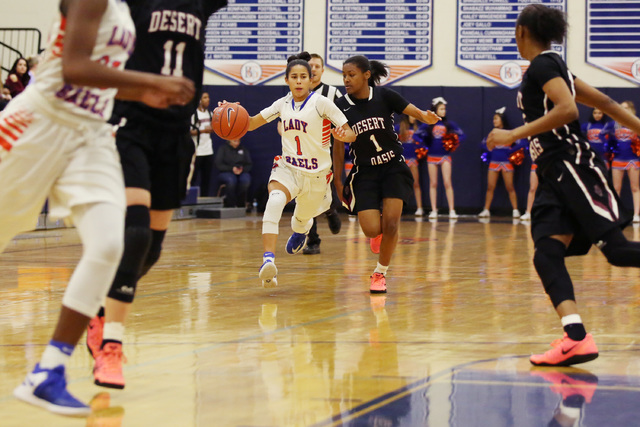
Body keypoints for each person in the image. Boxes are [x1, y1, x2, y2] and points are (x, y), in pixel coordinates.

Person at [8, 0, 194, 416]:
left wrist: (141, 91)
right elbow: (74, 67)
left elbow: (101, 77)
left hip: (88, 134)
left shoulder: (125, 10)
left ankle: (48, 372)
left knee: (113, 245)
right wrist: (152, 80)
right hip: (40, 122)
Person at [86, 0, 228, 390]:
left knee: (151, 250)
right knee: (135, 235)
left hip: (176, 135)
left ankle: (99, 310)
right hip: (133, 124)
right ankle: (111, 346)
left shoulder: (200, 3)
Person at [487, 4, 640, 367]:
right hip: (554, 175)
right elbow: (603, 101)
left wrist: (513, 133)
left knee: (617, 252)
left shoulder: (544, 64)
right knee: (546, 253)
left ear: (523, 31)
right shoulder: (551, 67)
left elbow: (569, 109)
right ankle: (576, 338)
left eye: (514, 30)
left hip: (573, 167)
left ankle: (576, 338)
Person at [237, 52, 356, 287]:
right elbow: (250, 123)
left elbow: (350, 130)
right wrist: (231, 113)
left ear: (312, 80)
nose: (299, 81)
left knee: (301, 220)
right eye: (294, 77)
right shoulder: (281, 105)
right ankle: (268, 260)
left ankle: (302, 230)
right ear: (287, 80)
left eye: (304, 76)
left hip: (317, 176)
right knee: (274, 199)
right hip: (288, 168)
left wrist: (345, 135)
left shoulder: (322, 103)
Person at [332, 55, 440, 293]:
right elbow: (338, 148)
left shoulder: (385, 96)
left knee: (391, 224)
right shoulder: (340, 106)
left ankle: (380, 273)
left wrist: (427, 117)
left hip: (393, 167)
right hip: (364, 172)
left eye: (351, 75)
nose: (346, 80)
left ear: (366, 75)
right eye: (344, 76)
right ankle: (376, 236)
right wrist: (338, 180)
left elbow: (415, 111)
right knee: (372, 229)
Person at [302, 53, 343, 254]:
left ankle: (331, 208)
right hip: (302, 153)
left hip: (327, 151)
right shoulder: (296, 92)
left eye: (318, 66)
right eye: (311, 65)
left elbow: (346, 117)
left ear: (322, 70)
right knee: (306, 196)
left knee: (325, 190)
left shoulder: (333, 92)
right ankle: (313, 240)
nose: (314, 69)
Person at [413, 97, 465, 219]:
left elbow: (462, 135)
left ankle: (452, 210)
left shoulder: (448, 124)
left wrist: (453, 142)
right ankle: (434, 210)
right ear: (435, 110)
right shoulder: (429, 124)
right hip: (431, 156)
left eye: (444, 108)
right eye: (441, 108)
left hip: (445, 156)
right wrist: (424, 144)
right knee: (433, 183)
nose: (444, 111)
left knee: (447, 182)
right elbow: (416, 136)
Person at [478, 107, 522, 219]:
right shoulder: (492, 133)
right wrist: (491, 149)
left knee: (510, 186)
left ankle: (515, 210)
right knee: (490, 187)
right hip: (494, 162)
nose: (494, 121)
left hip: (507, 162)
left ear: (502, 119)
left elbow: (521, 143)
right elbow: (483, 144)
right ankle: (486, 210)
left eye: (496, 119)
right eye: (493, 119)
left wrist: (510, 151)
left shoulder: (509, 133)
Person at [603, 101, 640, 222]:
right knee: (616, 188)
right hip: (618, 159)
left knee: (635, 187)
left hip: (633, 160)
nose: (623, 110)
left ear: (631, 110)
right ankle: (616, 214)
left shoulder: (635, 123)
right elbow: (602, 136)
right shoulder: (613, 124)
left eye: (625, 108)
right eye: (621, 108)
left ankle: (636, 215)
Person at [396, 114, 424, 216]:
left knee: (416, 183)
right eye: (412, 116)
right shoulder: (399, 127)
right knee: (400, 185)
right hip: (402, 160)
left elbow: (423, 141)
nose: (414, 118)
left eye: (415, 116)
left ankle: (420, 208)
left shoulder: (418, 128)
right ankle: (399, 208)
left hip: (413, 159)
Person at [215, 137, 252, 208]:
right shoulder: (223, 149)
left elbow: (249, 164)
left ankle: (241, 204)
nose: (237, 143)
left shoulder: (243, 149)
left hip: (241, 172)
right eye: (235, 141)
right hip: (226, 171)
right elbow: (218, 164)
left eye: (238, 141)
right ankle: (230, 204)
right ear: (229, 140)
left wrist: (242, 169)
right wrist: (231, 169)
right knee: (231, 180)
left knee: (245, 180)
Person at [190, 92, 214, 197]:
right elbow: (189, 131)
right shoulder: (194, 114)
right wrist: (203, 130)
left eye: (208, 97)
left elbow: (213, 129)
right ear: (199, 100)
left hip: (208, 150)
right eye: (205, 97)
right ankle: (190, 199)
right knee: (193, 178)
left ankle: (205, 199)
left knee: (206, 178)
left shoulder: (210, 113)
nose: (208, 99)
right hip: (197, 150)